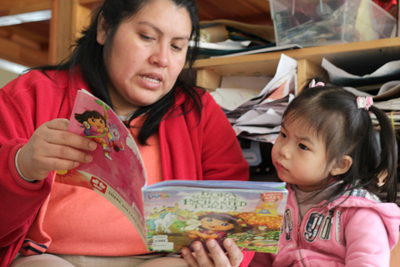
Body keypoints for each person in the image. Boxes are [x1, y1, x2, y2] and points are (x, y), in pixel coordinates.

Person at [0, 0, 253, 266]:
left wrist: (230, 253)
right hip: (50, 257)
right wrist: (21, 166)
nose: (162, 59)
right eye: (147, 37)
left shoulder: (199, 112)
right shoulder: (31, 94)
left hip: (162, 260)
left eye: (177, 46)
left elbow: (238, 215)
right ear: (104, 28)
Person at [249, 84, 400, 266]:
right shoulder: (269, 201)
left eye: (303, 146)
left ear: (339, 165)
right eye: (283, 134)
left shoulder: (360, 213)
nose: (283, 151)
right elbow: (257, 260)